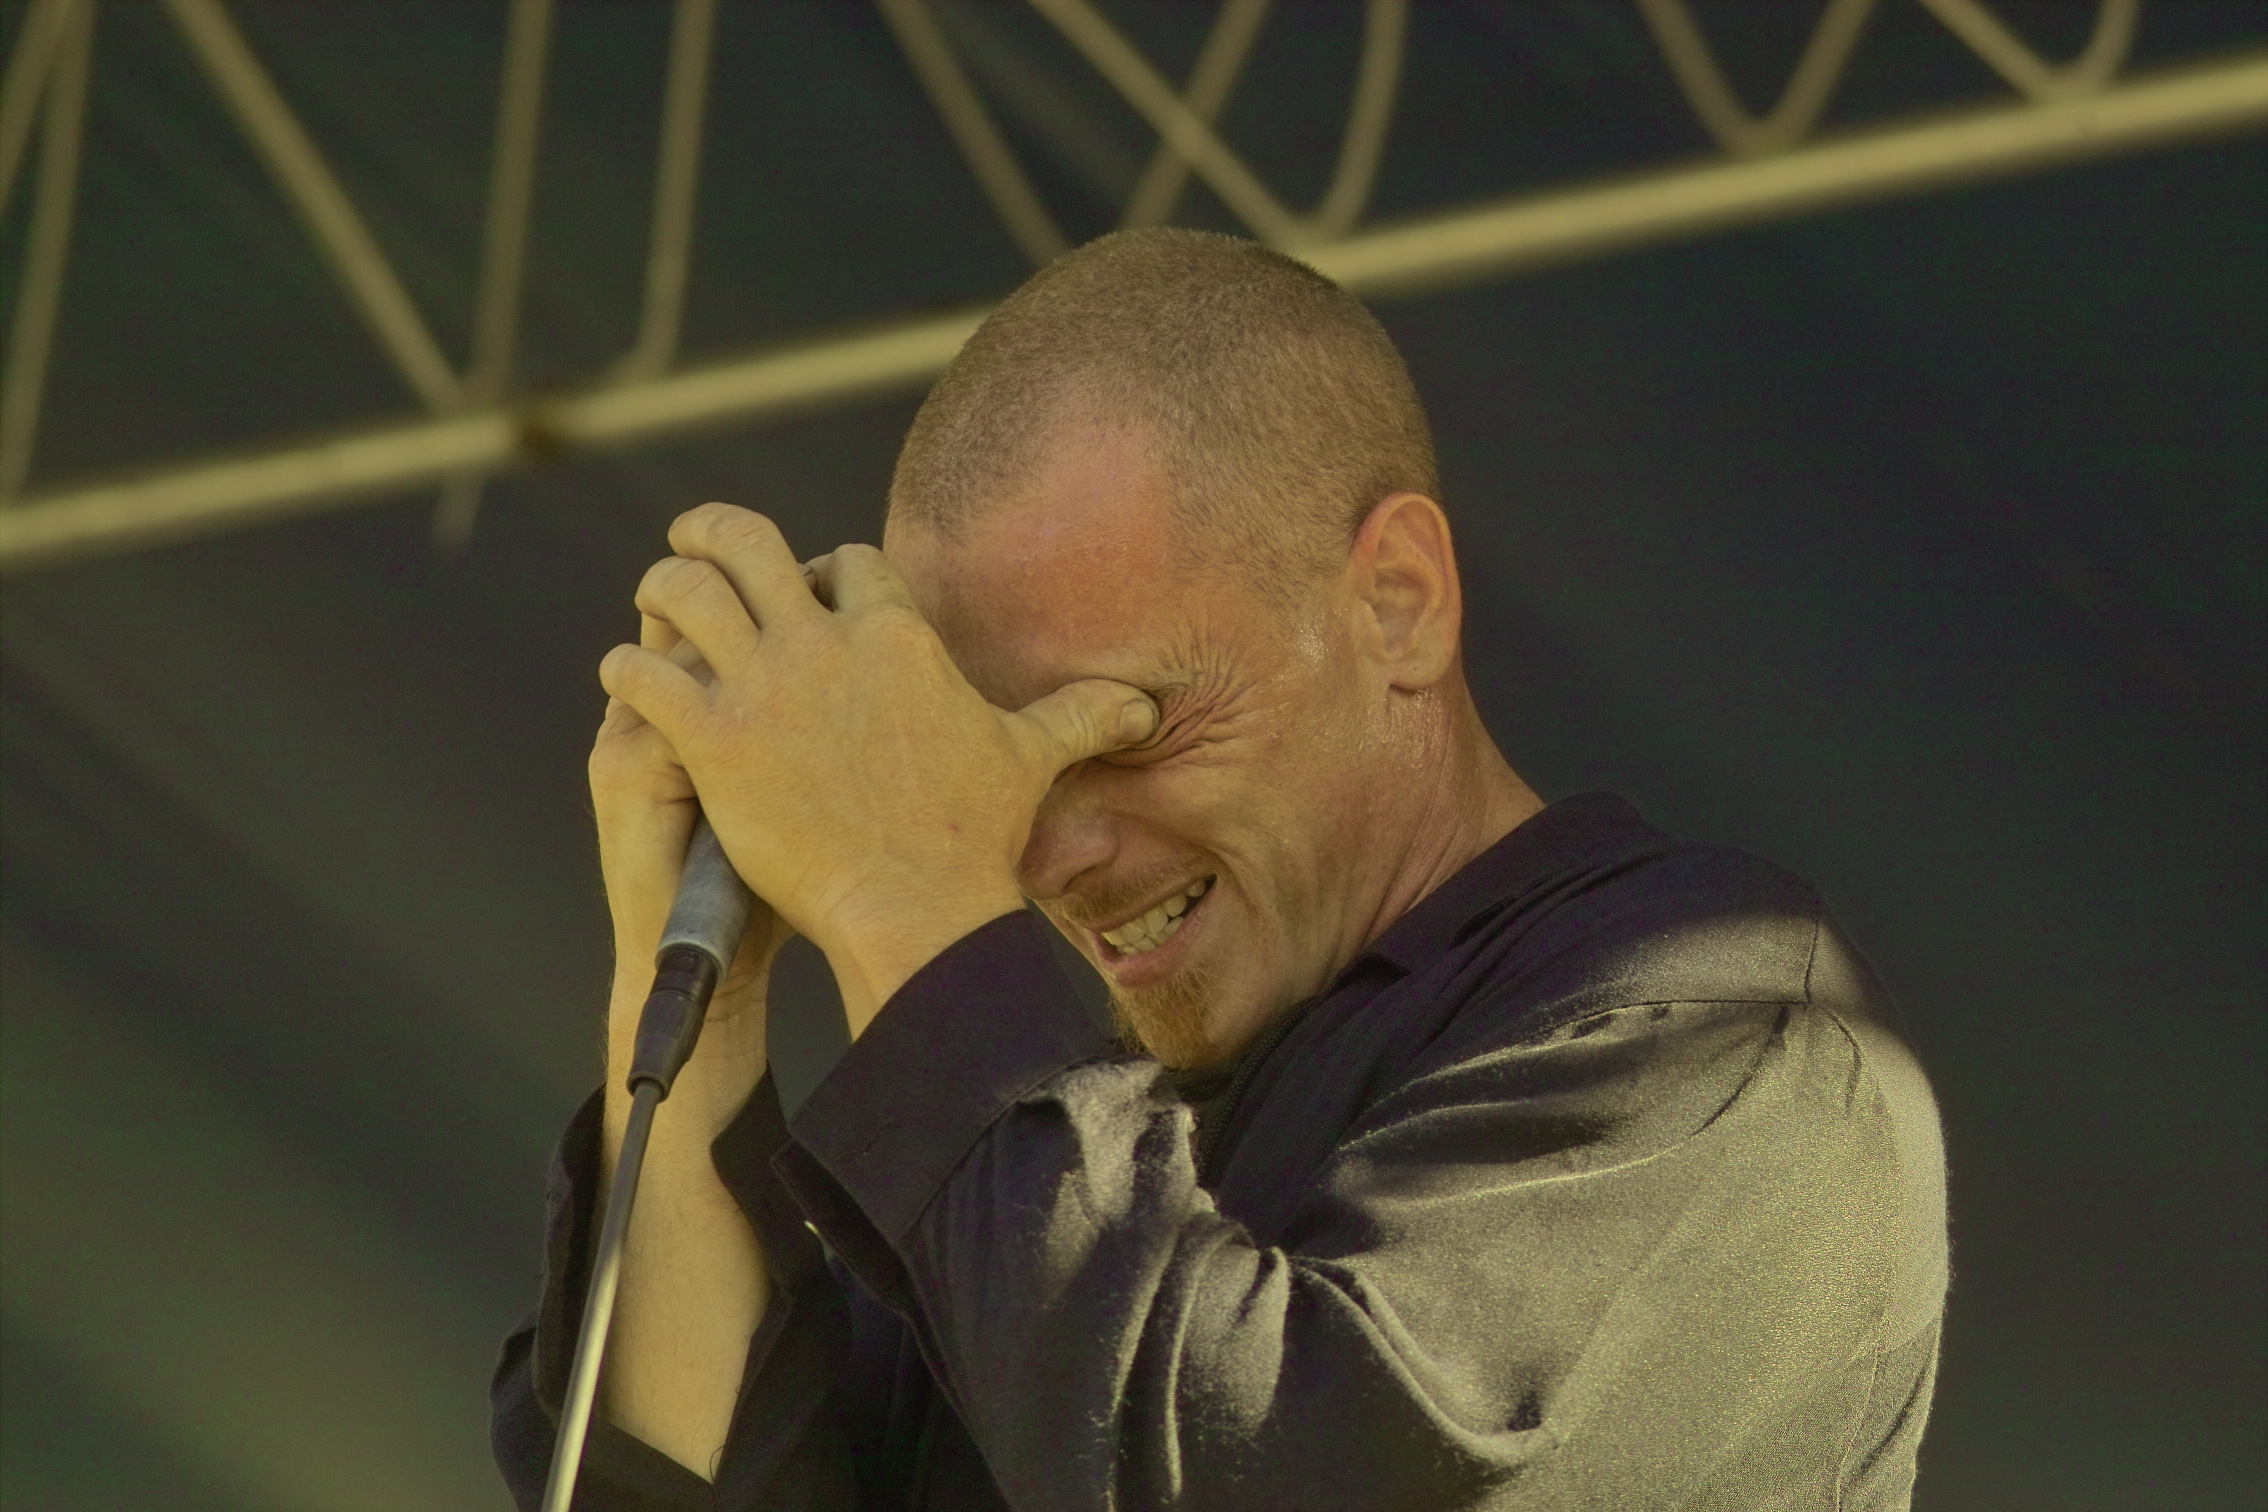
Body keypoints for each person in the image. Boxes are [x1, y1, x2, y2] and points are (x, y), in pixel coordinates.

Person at [491, 229, 1948, 1510]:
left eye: (1131, 723)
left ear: (1399, 604)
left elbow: (1279, 1472)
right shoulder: (1034, 1165)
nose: (1043, 850)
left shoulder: (1726, 1033)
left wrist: (901, 889)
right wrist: (690, 986)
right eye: (993, 762)